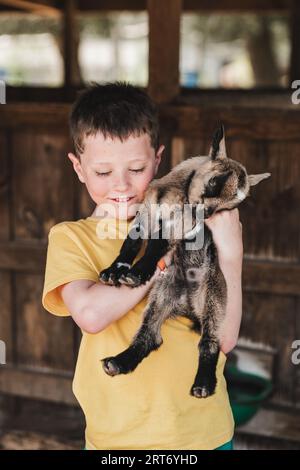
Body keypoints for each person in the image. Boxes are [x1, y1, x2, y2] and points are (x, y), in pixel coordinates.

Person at [42, 82, 243, 450]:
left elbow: (225, 338)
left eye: (136, 168)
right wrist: (163, 258)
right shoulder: (71, 238)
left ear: (157, 159)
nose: (121, 185)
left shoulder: (196, 230)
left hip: (204, 433)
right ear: (78, 167)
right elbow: (90, 313)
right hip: (119, 441)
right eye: (103, 172)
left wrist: (231, 254)